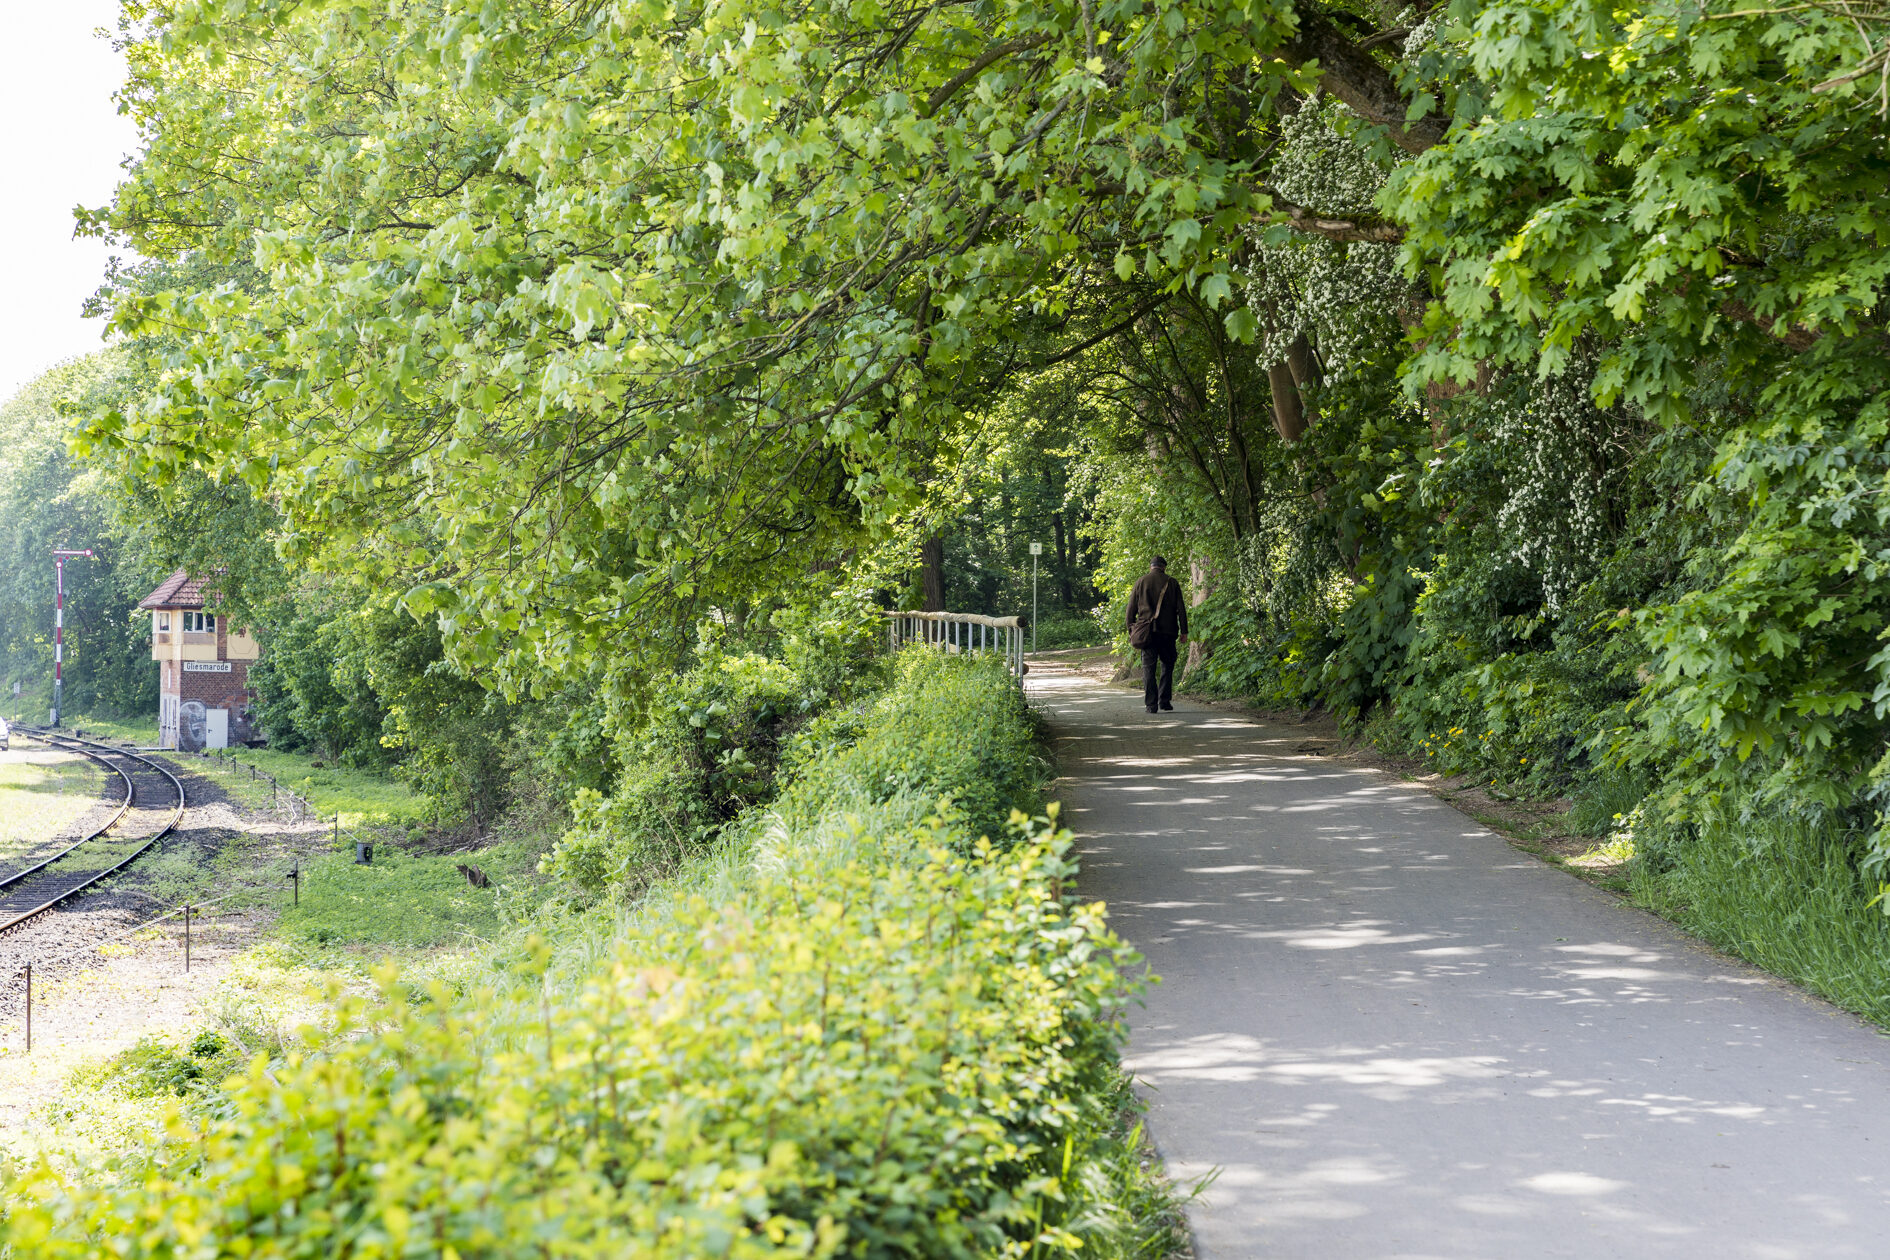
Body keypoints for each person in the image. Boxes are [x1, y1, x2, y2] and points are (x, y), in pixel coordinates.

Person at [1125, 557, 1187, 713]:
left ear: (1151, 567)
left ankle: (1151, 705)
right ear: (1164, 567)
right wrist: (1184, 631)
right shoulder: (1172, 582)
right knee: (1168, 666)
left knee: (1148, 669)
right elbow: (1181, 609)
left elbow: (1130, 609)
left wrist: (1131, 630)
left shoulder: (1141, 581)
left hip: (1147, 634)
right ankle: (1164, 701)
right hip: (1168, 633)